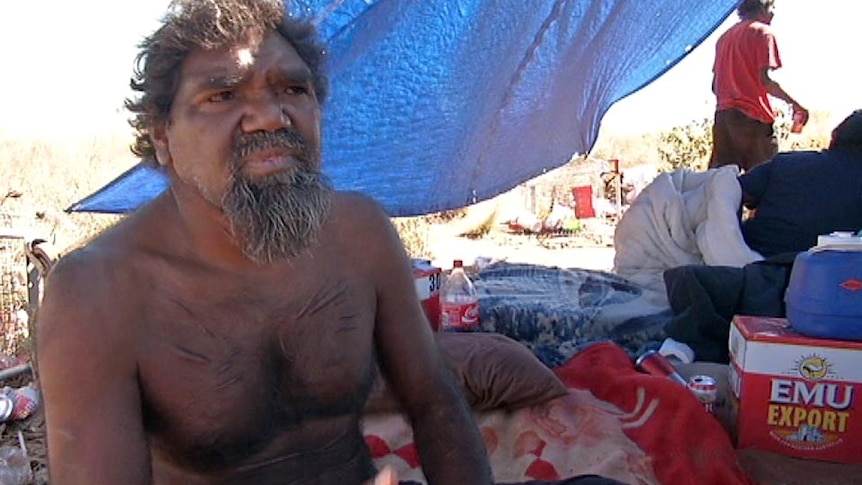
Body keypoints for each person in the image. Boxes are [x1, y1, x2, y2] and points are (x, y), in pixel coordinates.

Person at [35, 1, 628, 485]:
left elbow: (436, 400)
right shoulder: (98, 292)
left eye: (292, 90)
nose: (269, 116)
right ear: (162, 138)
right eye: (222, 96)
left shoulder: (360, 234)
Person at [739, 109, 862, 256]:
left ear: (835, 136)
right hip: (827, 273)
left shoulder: (785, 163)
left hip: (754, 263)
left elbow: (730, 192)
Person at [709, 0, 809, 172]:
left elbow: (715, 85)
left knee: (722, 183)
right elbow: (765, 80)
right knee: (767, 179)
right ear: (763, 8)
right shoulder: (763, 33)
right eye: (773, 7)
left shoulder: (724, 38)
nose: (774, 13)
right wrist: (796, 104)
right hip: (752, 119)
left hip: (724, 118)